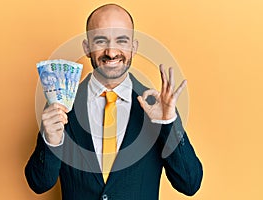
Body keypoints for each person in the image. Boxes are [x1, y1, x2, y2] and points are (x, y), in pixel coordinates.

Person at [25, 4, 203, 200]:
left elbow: (189, 183)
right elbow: (39, 183)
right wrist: (51, 140)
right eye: (101, 40)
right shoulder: (61, 105)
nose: (111, 52)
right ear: (87, 47)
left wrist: (168, 124)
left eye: (122, 40)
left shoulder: (157, 107)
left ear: (133, 48)